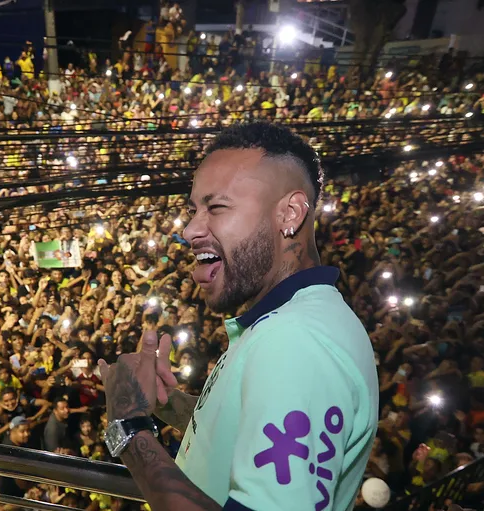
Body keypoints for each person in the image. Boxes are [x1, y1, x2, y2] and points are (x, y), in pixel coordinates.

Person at [98, 122, 379, 510]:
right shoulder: (292, 323)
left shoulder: (296, 342)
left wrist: (129, 427)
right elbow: (249, 424)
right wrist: (169, 404)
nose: (189, 229)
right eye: (194, 209)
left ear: (290, 214)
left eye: (216, 207)